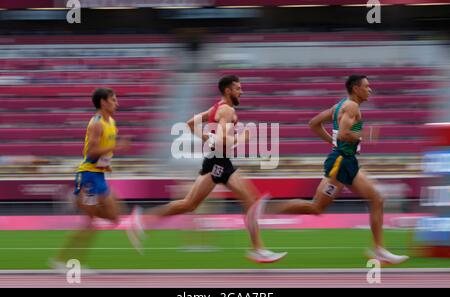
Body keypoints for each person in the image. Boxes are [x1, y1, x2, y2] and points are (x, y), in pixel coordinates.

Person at [128, 75, 286, 263]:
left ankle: (143, 219)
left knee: (192, 204)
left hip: (218, 161)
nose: (241, 91)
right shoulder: (226, 110)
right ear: (228, 90)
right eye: (238, 88)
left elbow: (190, 123)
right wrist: (242, 138)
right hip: (219, 162)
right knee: (243, 202)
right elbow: (221, 140)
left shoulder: (215, 108)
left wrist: (206, 138)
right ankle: (257, 249)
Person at [268, 75, 409, 264]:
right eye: (367, 86)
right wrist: (364, 134)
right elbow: (343, 135)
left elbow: (313, 124)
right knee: (316, 207)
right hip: (341, 164)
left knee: (377, 198)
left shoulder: (339, 106)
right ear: (355, 88)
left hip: (347, 161)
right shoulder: (351, 106)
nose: (370, 90)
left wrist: (332, 142)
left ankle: (379, 250)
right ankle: (269, 209)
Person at [50, 88, 130, 268]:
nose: (117, 103)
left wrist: (107, 163)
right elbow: (90, 152)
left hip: (99, 176)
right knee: (90, 223)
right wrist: (117, 147)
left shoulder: (112, 123)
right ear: (103, 102)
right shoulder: (97, 124)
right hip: (88, 177)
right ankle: (63, 261)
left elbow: (102, 153)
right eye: (114, 100)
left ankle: (76, 201)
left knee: (114, 217)